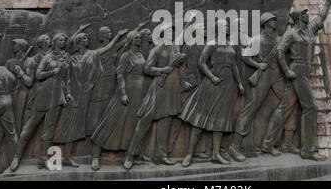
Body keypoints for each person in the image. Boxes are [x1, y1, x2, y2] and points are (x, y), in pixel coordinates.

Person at [51, 29, 128, 167]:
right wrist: (68, 93)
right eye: (85, 38)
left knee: (82, 124)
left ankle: (83, 155)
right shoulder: (71, 58)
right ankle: (66, 157)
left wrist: (118, 35)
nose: (88, 39)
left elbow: (108, 47)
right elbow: (66, 78)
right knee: (70, 126)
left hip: (87, 95)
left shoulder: (93, 54)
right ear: (79, 42)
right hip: (72, 96)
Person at [276, 0, 331, 161]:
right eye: (304, 13)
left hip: (304, 71)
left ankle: (267, 143)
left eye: (307, 13)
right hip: (297, 70)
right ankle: (308, 150)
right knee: (310, 107)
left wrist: (328, 3)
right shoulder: (291, 33)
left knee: (284, 108)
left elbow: (320, 17)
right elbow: (280, 51)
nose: (307, 15)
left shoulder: (309, 29)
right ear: (298, 17)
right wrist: (287, 70)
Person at [180, 19, 244, 167]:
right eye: (225, 25)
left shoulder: (230, 44)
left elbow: (234, 65)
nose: (227, 27)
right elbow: (201, 62)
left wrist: (239, 82)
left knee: (221, 119)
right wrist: (211, 76)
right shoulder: (212, 43)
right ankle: (189, 154)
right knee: (200, 119)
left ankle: (216, 154)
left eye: (228, 25)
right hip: (213, 83)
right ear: (218, 28)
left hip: (228, 84)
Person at [9, 33, 75, 172]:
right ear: (55, 42)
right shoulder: (48, 57)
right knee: (30, 125)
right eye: (60, 40)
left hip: (58, 95)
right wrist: (52, 71)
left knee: (49, 129)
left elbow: (67, 79)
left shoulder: (66, 57)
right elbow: (38, 75)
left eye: (64, 40)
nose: (63, 42)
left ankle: (44, 158)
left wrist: (68, 93)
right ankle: (16, 156)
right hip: (44, 93)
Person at [123, 25, 186, 170]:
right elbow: (147, 69)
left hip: (172, 89)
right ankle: (130, 154)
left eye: (173, 32)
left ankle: (161, 155)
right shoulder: (157, 50)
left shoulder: (175, 49)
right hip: (159, 88)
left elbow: (179, 68)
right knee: (145, 120)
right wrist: (164, 69)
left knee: (166, 121)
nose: (172, 33)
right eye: (169, 31)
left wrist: (182, 81)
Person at [228, 13, 288, 161]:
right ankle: (234, 146)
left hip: (278, 76)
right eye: (271, 20)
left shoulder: (280, 39)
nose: (274, 22)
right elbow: (245, 57)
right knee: (250, 108)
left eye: (275, 19)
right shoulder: (257, 39)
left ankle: (269, 144)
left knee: (286, 105)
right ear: (265, 23)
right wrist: (258, 65)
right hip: (264, 75)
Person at [90, 30, 146, 171]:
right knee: (110, 122)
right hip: (126, 90)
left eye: (140, 38)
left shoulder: (141, 55)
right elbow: (120, 74)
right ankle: (95, 155)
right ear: (131, 39)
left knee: (132, 124)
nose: (139, 40)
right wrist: (122, 93)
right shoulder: (126, 55)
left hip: (138, 92)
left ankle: (130, 155)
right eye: (136, 38)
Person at [5, 39, 35, 134]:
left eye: (16, 45)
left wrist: (21, 73)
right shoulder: (9, 62)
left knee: (18, 120)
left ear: (22, 47)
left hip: (22, 94)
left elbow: (29, 82)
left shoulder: (29, 61)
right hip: (9, 94)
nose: (14, 47)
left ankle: (16, 142)